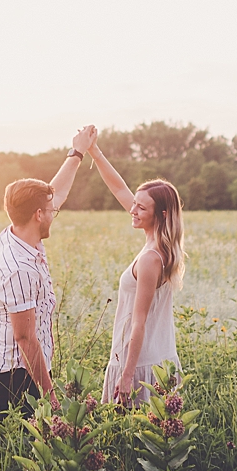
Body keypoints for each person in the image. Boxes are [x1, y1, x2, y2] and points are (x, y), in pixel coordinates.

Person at [0, 128, 97, 411]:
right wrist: (51, 398)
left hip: (28, 371)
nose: (54, 212)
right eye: (51, 211)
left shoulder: (18, 231)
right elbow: (25, 339)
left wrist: (77, 153)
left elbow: (53, 195)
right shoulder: (19, 268)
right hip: (15, 379)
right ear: (38, 215)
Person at [79, 130, 185, 403]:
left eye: (140, 208)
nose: (133, 211)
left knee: (131, 440)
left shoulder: (151, 258)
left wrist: (126, 376)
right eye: (134, 204)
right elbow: (118, 188)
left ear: (160, 214)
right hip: (156, 358)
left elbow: (139, 321)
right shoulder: (158, 244)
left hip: (140, 365)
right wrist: (94, 152)